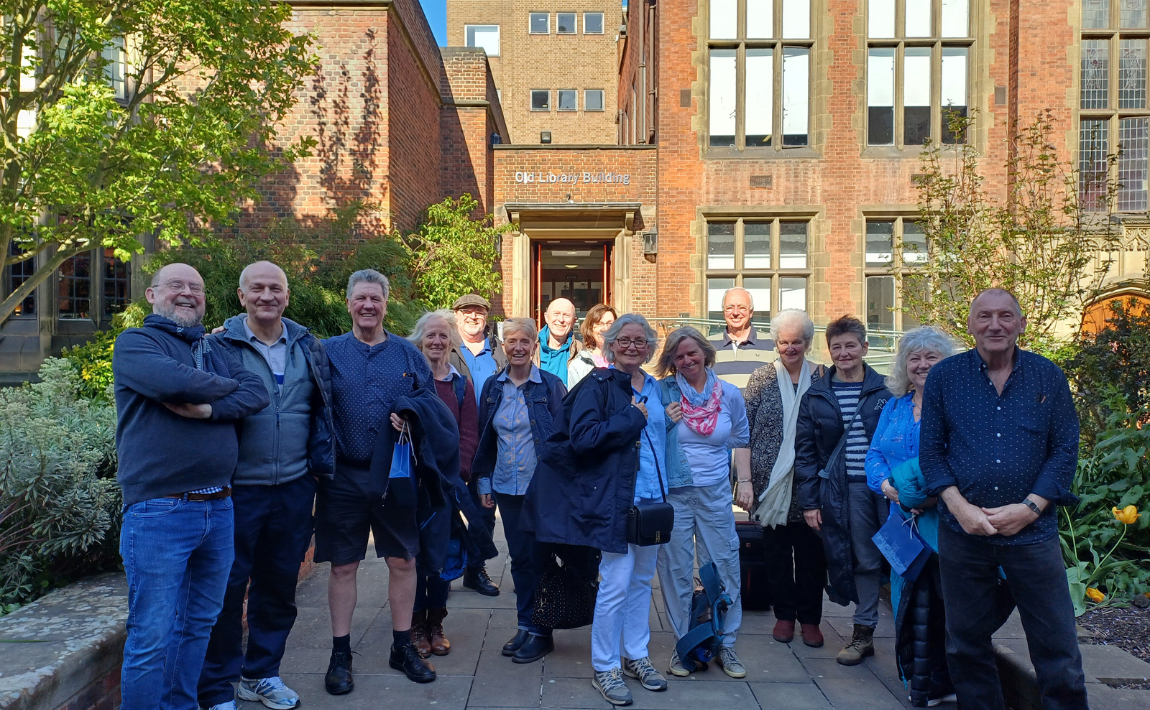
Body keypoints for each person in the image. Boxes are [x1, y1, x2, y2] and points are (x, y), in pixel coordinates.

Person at [112, 263, 270, 710]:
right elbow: (173, 381)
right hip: (160, 510)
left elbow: (256, 391)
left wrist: (207, 409)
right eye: (176, 285)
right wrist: (227, 387)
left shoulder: (211, 347)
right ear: (151, 295)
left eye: (196, 288)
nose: (187, 294)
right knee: (151, 634)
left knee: (198, 623)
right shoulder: (137, 343)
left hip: (218, 508)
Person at [920, 289, 1087, 710]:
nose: (995, 325)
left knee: (1057, 644)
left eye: (1005, 316)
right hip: (964, 532)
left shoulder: (1047, 376)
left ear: (1021, 323)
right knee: (965, 643)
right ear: (971, 323)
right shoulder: (946, 377)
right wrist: (960, 509)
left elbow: (1065, 448)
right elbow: (931, 452)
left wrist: (1030, 509)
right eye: (985, 316)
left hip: (1033, 534)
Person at [197, 262, 335, 710]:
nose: (266, 296)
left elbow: (325, 406)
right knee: (226, 588)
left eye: (275, 288)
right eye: (257, 288)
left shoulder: (307, 346)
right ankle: (218, 686)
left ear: (287, 296)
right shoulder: (219, 346)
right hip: (236, 489)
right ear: (241, 296)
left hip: (294, 486)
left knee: (278, 587)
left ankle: (262, 674)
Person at [526, 313, 669, 707]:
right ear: (610, 344)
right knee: (616, 583)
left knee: (642, 583)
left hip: (653, 499)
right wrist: (628, 418)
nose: (632, 347)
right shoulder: (597, 385)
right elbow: (583, 439)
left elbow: (658, 438)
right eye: (624, 339)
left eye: (640, 341)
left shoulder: (655, 388)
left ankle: (635, 655)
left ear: (650, 347)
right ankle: (605, 665)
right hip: (615, 501)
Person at [318, 269, 437, 693]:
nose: (368, 306)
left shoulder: (408, 354)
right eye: (361, 298)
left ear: (386, 304)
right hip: (343, 475)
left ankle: (402, 646)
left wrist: (411, 415)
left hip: (395, 473)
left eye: (376, 299)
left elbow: (431, 405)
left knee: (403, 560)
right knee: (344, 564)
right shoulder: (326, 351)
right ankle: (340, 652)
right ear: (349, 302)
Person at [865, 326, 955, 707]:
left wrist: (928, 495)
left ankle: (944, 682)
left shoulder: (956, 408)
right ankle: (917, 683)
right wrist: (890, 489)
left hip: (943, 520)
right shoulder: (894, 406)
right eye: (914, 358)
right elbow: (874, 456)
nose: (922, 365)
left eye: (931, 357)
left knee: (942, 605)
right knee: (907, 606)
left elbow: (960, 457)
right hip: (901, 518)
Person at [794, 315, 892, 666]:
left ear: (865, 348)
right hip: (842, 490)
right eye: (837, 347)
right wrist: (809, 501)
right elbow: (805, 453)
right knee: (857, 559)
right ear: (829, 351)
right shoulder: (816, 396)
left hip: (887, 491)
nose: (844, 352)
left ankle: (909, 633)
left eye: (851, 345)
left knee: (903, 559)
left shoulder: (887, 391)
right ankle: (863, 632)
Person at [654, 327, 751, 679]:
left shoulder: (729, 394)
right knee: (676, 570)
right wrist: (665, 419)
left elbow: (741, 436)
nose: (686, 360)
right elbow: (646, 433)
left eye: (692, 353)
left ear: (706, 353)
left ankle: (725, 643)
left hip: (714, 493)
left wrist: (746, 482)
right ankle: (685, 645)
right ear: (671, 361)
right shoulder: (662, 392)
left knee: (723, 567)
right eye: (678, 356)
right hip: (674, 495)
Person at [473, 318, 567, 664]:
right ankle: (526, 624)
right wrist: (484, 483)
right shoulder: (492, 387)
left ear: (534, 346)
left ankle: (542, 632)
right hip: (506, 488)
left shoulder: (551, 386)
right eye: (511, 341)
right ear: (503, 346)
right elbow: (485, 438)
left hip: (540, 489)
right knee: (520, 560)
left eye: (524, 341)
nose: (517, 347)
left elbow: (563, 442)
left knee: (540, 560)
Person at [744, 309, 828, 649]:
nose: (790, 348)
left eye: (796, 342)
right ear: (775, 343)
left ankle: (810, 619)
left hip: (810, 482)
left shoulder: (824, 378)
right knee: (776, 554)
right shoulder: (761, 379)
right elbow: (743, 431)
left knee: (811, 555)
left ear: (807, 342)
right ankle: (784, 615)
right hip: (770, 484)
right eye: (783, 342)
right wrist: (745, 480)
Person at [407, 310, 482, 658]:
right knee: (410, 557)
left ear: (451, 342)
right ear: (419, 339)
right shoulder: (407, 380)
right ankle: (415, 624)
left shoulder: (460, 385)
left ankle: (436, 623)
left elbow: (469, 433)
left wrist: (460, 471)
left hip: (447, 486)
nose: (436, 342)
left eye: (442, 336)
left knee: (440, 557)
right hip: (411, 485)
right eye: (430, 336)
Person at [450, 293, 505, 597]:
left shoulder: (499, 352)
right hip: (453, 445)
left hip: (488, 446)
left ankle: (475, 569)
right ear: (455, 315)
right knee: (446, 511)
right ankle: (444, 571)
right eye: (466, 312)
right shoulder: (445, 348)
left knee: (484, 510)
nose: (473, 317)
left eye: (479, 312)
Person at [708, 287, 775, 389]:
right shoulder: (707, 346)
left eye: (742, 307)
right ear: (723, 312)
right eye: (730, 307)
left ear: (751, 312)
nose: (735, 312)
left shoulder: (773, 344)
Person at [536, 297, 582, 385]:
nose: (561, 320)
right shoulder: (531, 348)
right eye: (556, 314)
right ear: (546, 317)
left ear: (574, 321)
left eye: (567, 315)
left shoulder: (581, 351)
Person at [569, 303, 617, 385]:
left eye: (610, 324)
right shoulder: (579, 365)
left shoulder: (626, 360)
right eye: (599, 324)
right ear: (590, 329)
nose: (605, 329)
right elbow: (575, 397)